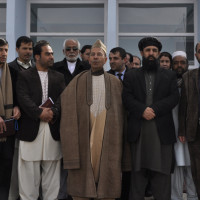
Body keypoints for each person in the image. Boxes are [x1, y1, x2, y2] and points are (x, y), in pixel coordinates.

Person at [60, 40, 126, 200]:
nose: (95, 57)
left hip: (108, 133)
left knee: (107, 170)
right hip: (85, 132)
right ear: (88, 59)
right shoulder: (77, 80)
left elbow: (123, 113)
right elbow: (65, 105)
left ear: (105, 60)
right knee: (84, 170)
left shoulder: (116, 82)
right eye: (92, 55)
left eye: (99, 55)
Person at [122, 37, 179, 200]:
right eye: (148, 50)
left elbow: (174, 97)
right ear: (141, 53)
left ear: (159, 53)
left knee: (162, 179)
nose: (151, 53)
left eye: (154, 50)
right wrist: (142, 110)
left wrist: (153, 109)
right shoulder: (131, 75)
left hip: (162, 134)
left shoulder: (169, 75)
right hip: (139, 133)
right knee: (137, 180)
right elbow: (126, 97)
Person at [16, 40, 65, 200]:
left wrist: (53, 112)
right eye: (48, 53)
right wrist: (39, 113)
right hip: (31, 127)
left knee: (52, 175)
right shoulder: (24, 75)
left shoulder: (58, 77)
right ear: (37, 56)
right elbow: (23, 98)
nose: (51, 56)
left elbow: (62, 99)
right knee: (28, 175)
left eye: (52, 53)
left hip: (52, 128)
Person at [53, 38, 90, 200]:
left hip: (82, 119)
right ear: (63, 52)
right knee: (61, 159)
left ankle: (78, 193)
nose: (72, 51)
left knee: (80, 159)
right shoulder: (55, 68)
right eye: (68, 49)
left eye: (75, 48)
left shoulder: (87, 67)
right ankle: (61, 195)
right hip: (60, 118)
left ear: (79, 51)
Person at [8, 36, 34, 200]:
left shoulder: (37, 68)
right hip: (15, 122)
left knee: (29, 165)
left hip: (33, 122)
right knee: (14, 164)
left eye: (30, 48)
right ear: (17, 49)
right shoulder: (9, 68)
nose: (28, 52)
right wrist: (14, 106)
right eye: (24, 48)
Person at [171, 50, 198, 200]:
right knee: (175, 168)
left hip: (191, 131)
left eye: (182, 62)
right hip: (173, 132)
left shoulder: (193, 81)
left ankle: (193, 196)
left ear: (187, 64)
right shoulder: (168, 83)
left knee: (192, 166)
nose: (179, 66)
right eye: (176, 63)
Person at [108, 47, 131, 200]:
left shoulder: (134, 76)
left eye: (115, 58)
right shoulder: (106, 76)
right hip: (111, 126)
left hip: (131, 125)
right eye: (110, 58)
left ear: (125, 60)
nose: (112, 62)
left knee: (129, 164)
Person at [179, 42, 200, 199]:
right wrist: (182, 130)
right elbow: (183, 106)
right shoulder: (188, 77)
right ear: (196, 55)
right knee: (197, 172)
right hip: (195, 131)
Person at [0, 38, 21, 200]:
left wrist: (16, 106)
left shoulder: (13, 71)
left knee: (6, 166)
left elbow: (17, 96)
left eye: (6, 50)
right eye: (1, 50)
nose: (4, 54)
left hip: (6, 129)